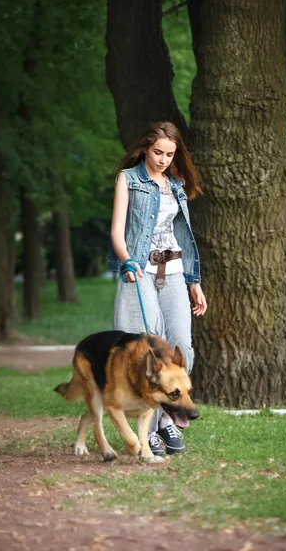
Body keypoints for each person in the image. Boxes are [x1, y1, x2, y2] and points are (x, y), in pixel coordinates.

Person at [108, 121, 207, 456]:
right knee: (147, 346)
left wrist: (194, 282)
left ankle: (167, 417)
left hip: (175, 271)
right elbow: (117, 232)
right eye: (158, 152)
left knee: (183, 349)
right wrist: (126, 260)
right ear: (145, 148)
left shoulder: (177, 184)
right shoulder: (129, 179)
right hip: (141, 270)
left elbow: (184, 236)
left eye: (170, 153)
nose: (164, 159)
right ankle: (148, 430)